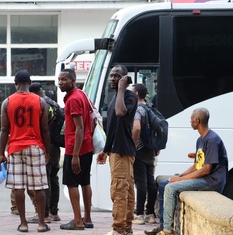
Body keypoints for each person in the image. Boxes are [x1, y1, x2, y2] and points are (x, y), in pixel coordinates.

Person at [145, 107, 228, 235]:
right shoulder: (200, 139)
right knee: (163, 184)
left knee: (170, 188)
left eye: (191, 119)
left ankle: (167, 230)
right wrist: (180, 175)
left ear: (197, 121)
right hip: (204, 178)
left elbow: (206, 169)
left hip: (211, 181)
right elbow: (197, 165)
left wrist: (179, 180)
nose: (190, 122)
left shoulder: (212, 140)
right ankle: (162, 225)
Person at [0, 69, 51, 233]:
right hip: (35, 146)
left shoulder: (7, 102)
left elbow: (3, 129)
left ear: (16, 84)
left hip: (15, 147)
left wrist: (1, 153)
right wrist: (47, 151)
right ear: (29, 83)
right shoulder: (40, 101)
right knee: (39, 187)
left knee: (19, 187)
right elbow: (45, 129)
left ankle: (23, 224)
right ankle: (41, 223)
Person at [97, 65, 137, 235]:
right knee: (125, 189)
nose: (112, 79)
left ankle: (119, 228)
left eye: (117, 76)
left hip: (123, 151)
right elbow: (112, 128)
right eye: (111, 76)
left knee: (119, 190)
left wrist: (122, 89)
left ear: (125, 79)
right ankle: (126, 228)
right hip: (115, 150)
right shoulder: (116, 98)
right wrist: (105, 151)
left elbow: (121, 113)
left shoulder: (127, 96)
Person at [58, 68, 94, 230]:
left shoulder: (73, 99)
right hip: (87, 145)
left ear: (72, 80)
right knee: (85, 181)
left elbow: (79, 128)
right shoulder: (81, 94)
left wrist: (75, 156)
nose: (60, 82)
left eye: (64, 79)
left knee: (72, 183)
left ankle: (78, 221)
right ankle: (87, 218)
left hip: (75, 149)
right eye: (59, 79)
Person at [29, 82, 62, 222]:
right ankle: (54, 212)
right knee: (53, 178)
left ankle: (45, 214)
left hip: (46, 146)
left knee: (45, 180)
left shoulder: (42, 104)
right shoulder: (54, 103)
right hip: (56, 146)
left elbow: (43, 128)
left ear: (34, 93)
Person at [131, 83, 157, 225]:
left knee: (140, 183)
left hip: (140, 149)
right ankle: (151, 214)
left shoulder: (138, 109)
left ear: (136, 94)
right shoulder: (150, 107)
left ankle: (139, 214)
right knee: (150, 182)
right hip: (150, 148)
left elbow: (136, 128)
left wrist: (133, 146)